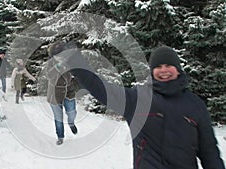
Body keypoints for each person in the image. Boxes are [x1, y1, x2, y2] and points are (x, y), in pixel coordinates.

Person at [54, 44, 225, 168]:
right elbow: (102, 89)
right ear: (152, 71)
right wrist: (74, 59)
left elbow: (209, 153)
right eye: (158, 66)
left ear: (178, 69)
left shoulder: (195, 105)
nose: (164, 70)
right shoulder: (138, 99)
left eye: (169, 66)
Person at [46, 41, 78, 145]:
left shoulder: (69, 61)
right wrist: (57, 67)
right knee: (58, 118)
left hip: (69, 92)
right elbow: (49, 76)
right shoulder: (50, 63)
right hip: (54, 94)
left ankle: (71, 123)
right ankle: (60, 136)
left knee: (72, 112)